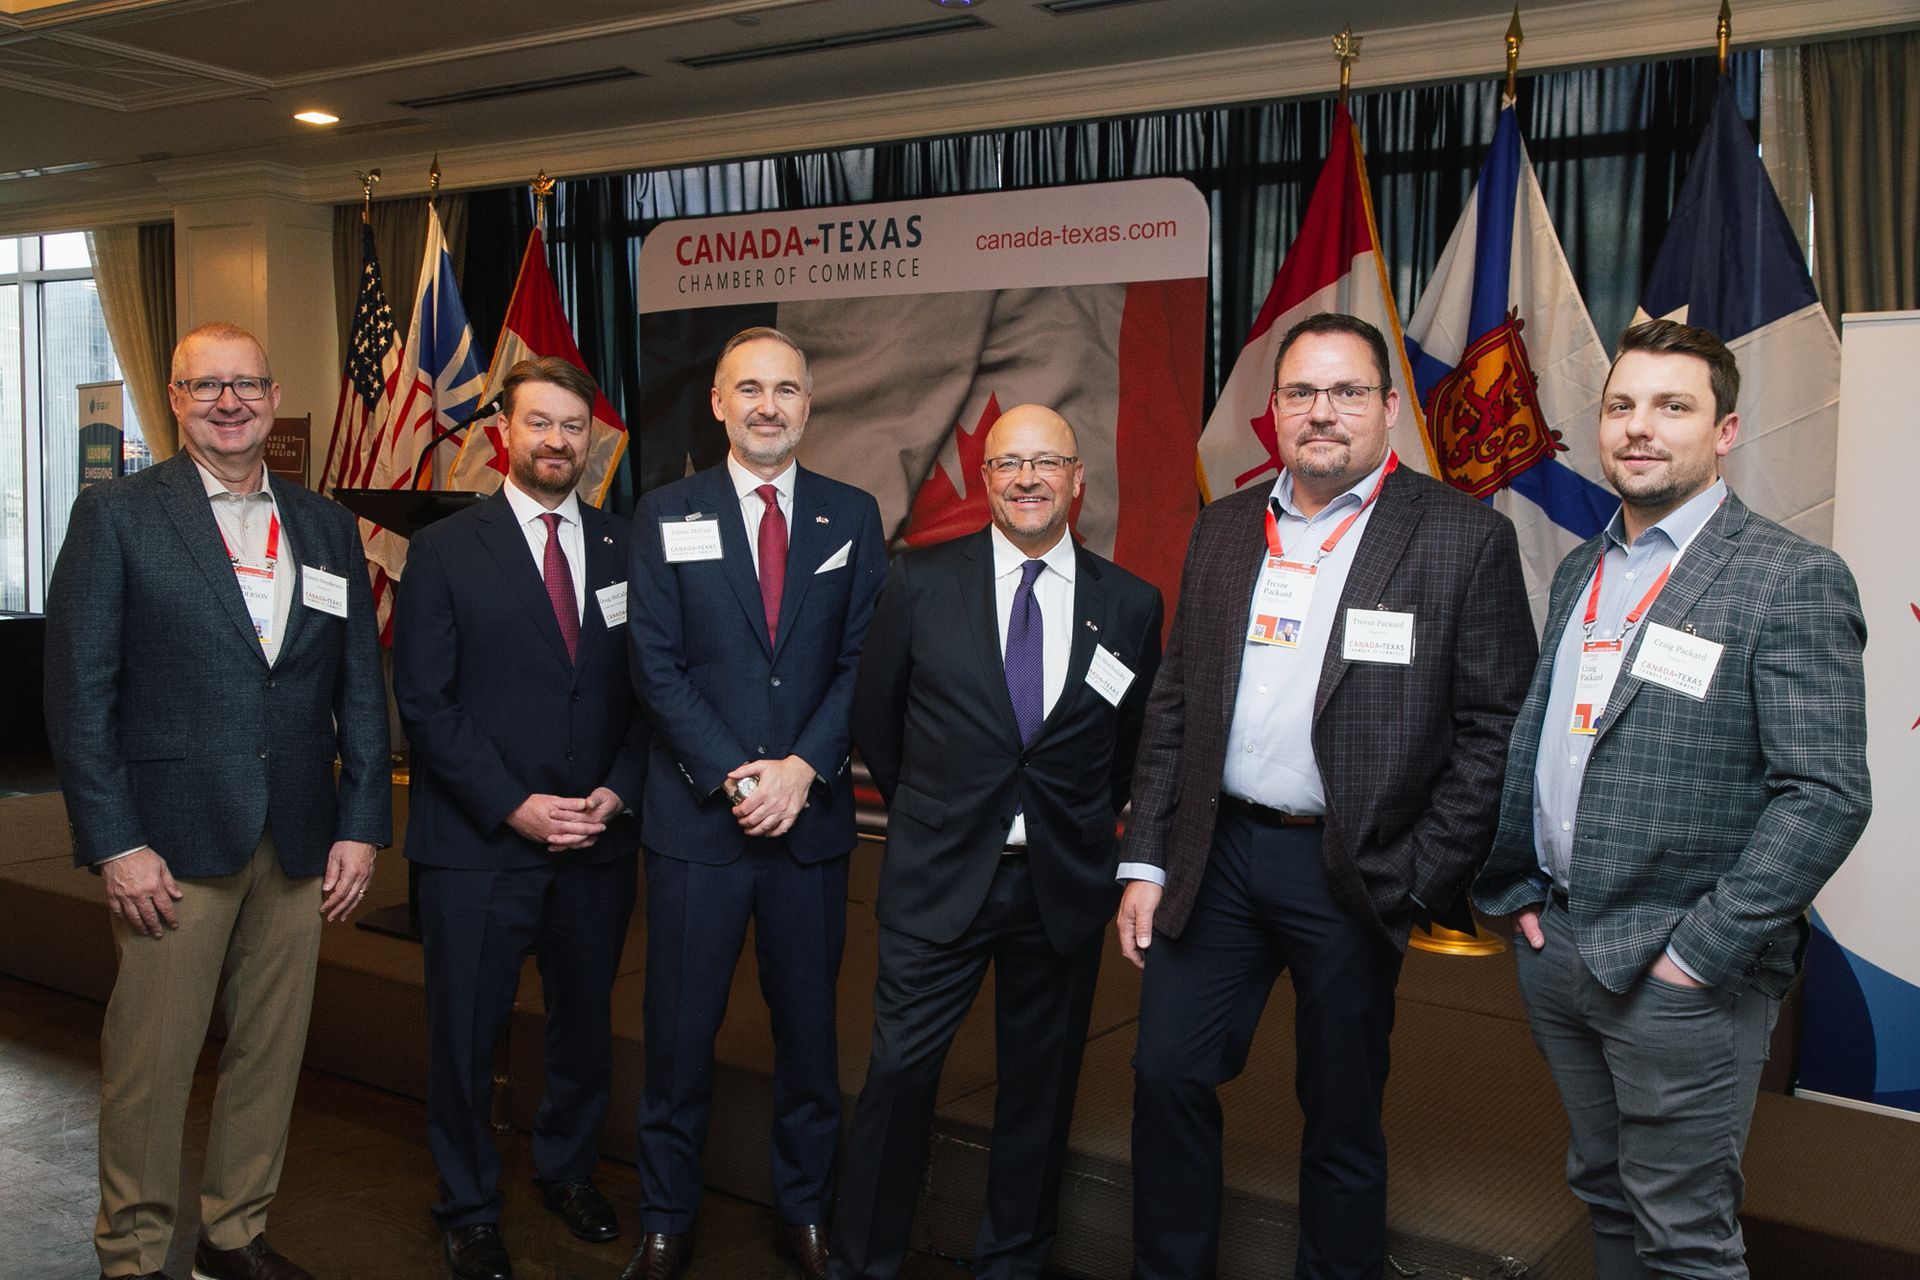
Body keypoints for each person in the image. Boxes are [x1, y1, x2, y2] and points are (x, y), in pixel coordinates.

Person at [1117, 313, 1537, 1280]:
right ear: (1274, 412)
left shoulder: (1460, 539)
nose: (1323, 413)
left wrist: (1417, 872)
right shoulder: (1225, 526)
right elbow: (1176, 698)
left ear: (1389, 410)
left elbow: (1493, 729)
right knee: (1165, 1074)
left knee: (1341, 1111)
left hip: (1353, 868)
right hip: (1216, 855)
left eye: (1347, 392)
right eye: (1302, 392)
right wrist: (1145, 854)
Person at [1472, 319, 1871, 1279]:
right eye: (1621, 406)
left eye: (1672, 407)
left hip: (1680, 973)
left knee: (1686, 1236)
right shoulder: (1583, 567)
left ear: (1725, 431)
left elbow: (1826, 794)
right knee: (1606, 1195)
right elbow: (1552, 745)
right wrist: (1523, 891)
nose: (1638, 428)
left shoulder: (1790, 579)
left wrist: (1699, 954)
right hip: (1559, 942)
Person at [44, 321, 390, 1280]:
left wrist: (361, 824)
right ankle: (134, 1256)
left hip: (297, 840)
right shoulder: (117, 517)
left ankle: (233, 1237)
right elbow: (80, 698)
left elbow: (359, 687)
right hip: (169, 846)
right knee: (151, 1067)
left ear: (273, 400)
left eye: (246, 385)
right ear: (175, 397)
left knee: (271, 1055)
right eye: (206, 387)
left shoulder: (323, 524)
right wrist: (116, 843)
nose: (228, 402)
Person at [833, 405, 1164, 1279]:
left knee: (1041, 1092)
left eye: (1046, 461)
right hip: (938, 874)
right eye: (1008, 461)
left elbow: (1128, 748)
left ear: (1076, 478)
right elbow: (877, 718)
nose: (1027, 477)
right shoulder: (918, 581)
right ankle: (863, 1259)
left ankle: (1012, 1261)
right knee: (899, 1075)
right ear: (985, 479)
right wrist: (939, 811)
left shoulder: (1129, 605)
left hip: (1058, 884)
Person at [626, 327, 886, 1280]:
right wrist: (741, 772)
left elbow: (864, 661)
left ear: (808, 405)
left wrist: (803, 769)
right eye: (750, 389)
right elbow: (653, 663)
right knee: (679, 1038)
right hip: (700, 824)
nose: (768, 405)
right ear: (719, 403)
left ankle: (804, 1213)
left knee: (810, 1041)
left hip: (810, 828)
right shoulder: (666, 512)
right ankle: (665, 1219)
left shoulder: (850, 517)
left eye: (786, 389)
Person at [393, 357, 647, 1280]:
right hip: (480, 846)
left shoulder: (626, 548)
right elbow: (425, 702)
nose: (556, 441)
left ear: (593, 439)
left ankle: (567, 1169)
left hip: (598, 840)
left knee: (583, 1027)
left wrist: (618, 791)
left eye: (573, 426)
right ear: (503, 431)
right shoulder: (447, 549)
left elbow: (645, 695)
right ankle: (467, 1203)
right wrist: (515, 806)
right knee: (465, 1035)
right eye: (539, 422)